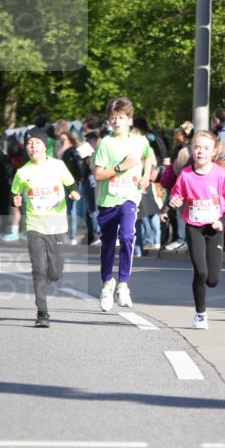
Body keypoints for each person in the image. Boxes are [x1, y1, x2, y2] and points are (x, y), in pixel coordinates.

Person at [168, 130, 225, 329]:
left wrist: (222, 221)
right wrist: (173, 202)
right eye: (197, 147)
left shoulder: (221, 174)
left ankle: (206, 292)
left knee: (212, 280)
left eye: (206, 148)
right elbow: (175, 197)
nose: (200, 151)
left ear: (214, 152)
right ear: (192, 150)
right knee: (200, 272)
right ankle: (200, 314)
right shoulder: (186, 175)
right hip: (194, 228)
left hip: (214, 229)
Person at [9, 126, 80, 327]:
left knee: (55, 273)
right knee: (39, 269)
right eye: (29, 144)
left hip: (57, 226)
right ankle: (42, 313)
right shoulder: (22, 172)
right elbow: (14, 192)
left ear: (44, 146)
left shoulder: (58, 166)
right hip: (35, 226)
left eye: (36, 143)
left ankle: (44, 278)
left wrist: (73, 192)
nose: (32, 147)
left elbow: (71, 183)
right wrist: (15, 200)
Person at [93, 96, 152, 312]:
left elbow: (148, 156)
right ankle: (107, 284)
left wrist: (146, 176)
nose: (116, 121)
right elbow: (98, 174)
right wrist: (121, 167)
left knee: (127, 237)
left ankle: (123, 284)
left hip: (129, 197)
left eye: (120, 117)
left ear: (129, 120)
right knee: (108, 243)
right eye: (113, 117)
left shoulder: (139, 141)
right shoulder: (105, 143)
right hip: (108, 200)